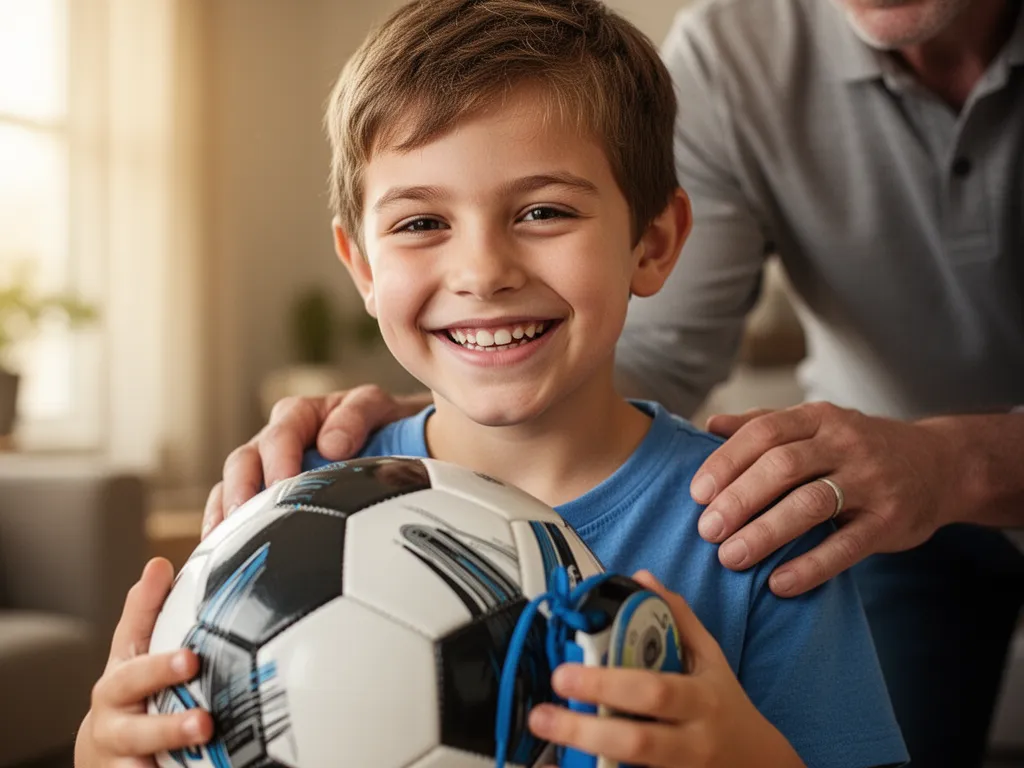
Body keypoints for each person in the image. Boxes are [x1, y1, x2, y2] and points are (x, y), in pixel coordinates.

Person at [76, 2, 910, 766]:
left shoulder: (757, 525)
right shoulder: (289, 502)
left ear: (653, 244)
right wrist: (108, 752)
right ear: (362, 267)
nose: (481, 270)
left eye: (543, 211)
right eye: (421, 223)